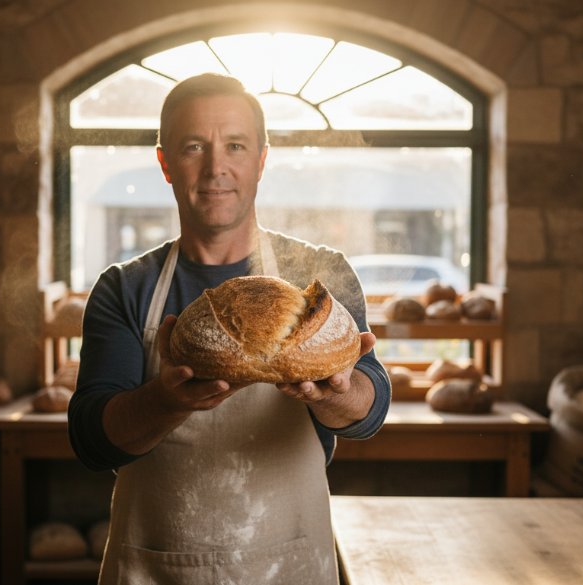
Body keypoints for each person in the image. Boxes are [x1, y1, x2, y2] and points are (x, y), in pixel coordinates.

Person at [68, 72, 391, 585]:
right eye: (194, 146)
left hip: (288, 563)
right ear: (165, 163)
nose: (216, 168)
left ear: (261, 159)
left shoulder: (319, 280)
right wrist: (167, 401)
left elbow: (368, 412)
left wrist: (335, 391)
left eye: (235, 146)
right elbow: (91, 439)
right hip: (157, 566)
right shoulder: (125, 288)